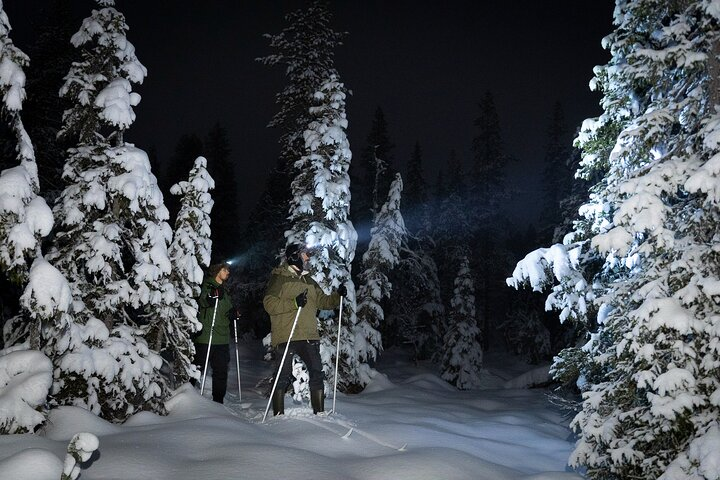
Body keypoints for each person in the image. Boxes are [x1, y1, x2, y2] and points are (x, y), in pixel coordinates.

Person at [263, 243, 346, 415]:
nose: (308, 257)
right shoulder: (280, 278)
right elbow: (269, 304)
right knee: (283, 375)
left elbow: (323, 302)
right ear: (295, 256)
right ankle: (278, 414)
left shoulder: (309, 280)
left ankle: (320, 412)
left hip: (308, 334)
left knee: (317, 373)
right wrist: (293, 303)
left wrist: (338, 296)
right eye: (305, 254)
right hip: (287, 334)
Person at [194, 262, 234, 403]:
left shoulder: (225, 291)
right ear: (217, 271)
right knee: (197, 368)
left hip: (222, 339)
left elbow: (227, 309)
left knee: (221, 371)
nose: (227, 272)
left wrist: (232, 313)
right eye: (224, 270)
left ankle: (218, 401)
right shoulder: (207, 286)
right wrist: (210, 298)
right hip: (207, 336)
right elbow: (203, 300)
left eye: (228, 270)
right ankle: (188, 397)